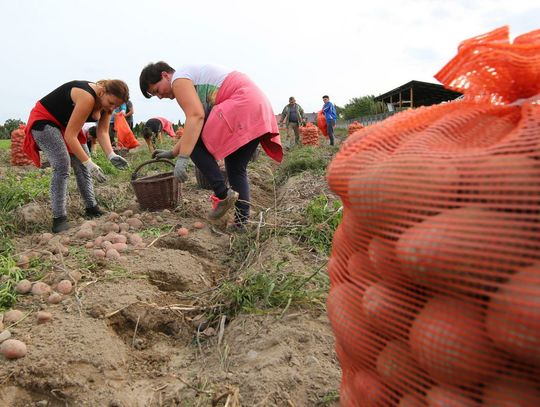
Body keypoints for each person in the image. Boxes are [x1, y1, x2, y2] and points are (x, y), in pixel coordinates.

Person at [139, 61, 282, 231]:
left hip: (242, 103)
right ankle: (241, 223)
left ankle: (222, 194)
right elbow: (196, 122)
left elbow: (196, 117)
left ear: (165, 75)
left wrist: (183, 157)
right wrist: (172, 152)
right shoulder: (192, 80)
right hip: (257, 106)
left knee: (195, 144)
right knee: (235, 168)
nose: (160, 96)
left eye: (156, 90)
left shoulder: (178, 80)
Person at [23, 79, 130, 233]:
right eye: (111, 102)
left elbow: (103, 132)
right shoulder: (87, 96)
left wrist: (111, 154)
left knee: (83, 164)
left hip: (66, 125)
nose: (112, 108)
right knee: (62, 164)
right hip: (44, 121)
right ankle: (59, 219)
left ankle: (91, 207)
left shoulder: (107, 104)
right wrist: (89, 162)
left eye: (116, 105)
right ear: (102, 91)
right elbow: (70, 136)